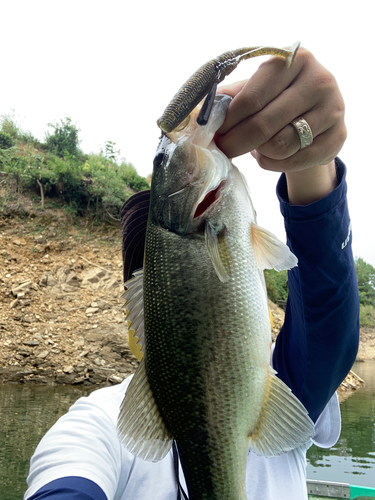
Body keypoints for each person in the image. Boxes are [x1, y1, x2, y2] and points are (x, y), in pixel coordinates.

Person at [24, 47, 359, 500]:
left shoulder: (282, 377)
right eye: (157, 280)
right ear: (139, 322)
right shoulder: (96, 424)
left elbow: (327, 317)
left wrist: (311, 162)